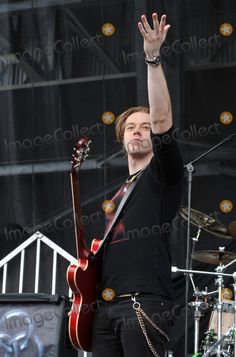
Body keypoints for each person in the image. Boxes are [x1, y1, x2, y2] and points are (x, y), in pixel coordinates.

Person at [91, 11, 184, 357]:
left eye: (144, 127)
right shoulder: (117, 195)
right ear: (122, 137)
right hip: (104, 309)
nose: (138, 131)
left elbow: (162, 120)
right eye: (131, 127)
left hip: (144, 304)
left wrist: (152, 57)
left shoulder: (162, 174)